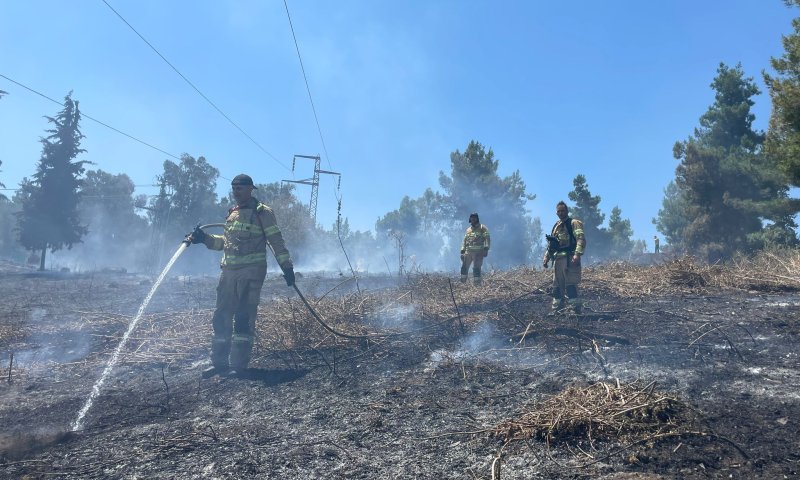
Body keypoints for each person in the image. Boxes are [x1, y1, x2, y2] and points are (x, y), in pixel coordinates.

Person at [187, 174, 295, 377]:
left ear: (250, 189)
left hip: (251, 273)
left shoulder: (262, 213)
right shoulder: (233, 214)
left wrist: (287, 267)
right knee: (220, 318)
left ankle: (239, 365)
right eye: (234, 188)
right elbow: (224, 244)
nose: (236, 192)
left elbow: (276, 241)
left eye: (240, 188)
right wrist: (204, 239)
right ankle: (219, 363)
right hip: (228, 273)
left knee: (243, 318)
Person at [543, 201, 586, 313]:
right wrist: (546, 257)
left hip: (570, 258)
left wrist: (577, 254)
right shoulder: (556, 226)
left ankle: (575, 310)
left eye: (563, 210)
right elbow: (552, 245)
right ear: (556, 212)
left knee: (570, 284)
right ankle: (557, 310)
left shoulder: (573, 223)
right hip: (558, 260)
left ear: (567, 211)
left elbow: (581, 238)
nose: (561, 213)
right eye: (559, 211)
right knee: (556, 286)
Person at [460, 213, 490, 284]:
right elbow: (464, 241)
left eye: (474, 217)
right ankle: (463, 283)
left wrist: (486, 249)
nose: (473, 219)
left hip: (478, 252)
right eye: (471, 217)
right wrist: (462, 250)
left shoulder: (483, 228)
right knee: (464, 268)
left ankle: (477, 285)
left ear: (477, 219)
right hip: (468, 252)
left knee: (476, 269)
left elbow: (487, 239)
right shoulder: (468, 230)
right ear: (470, 219)